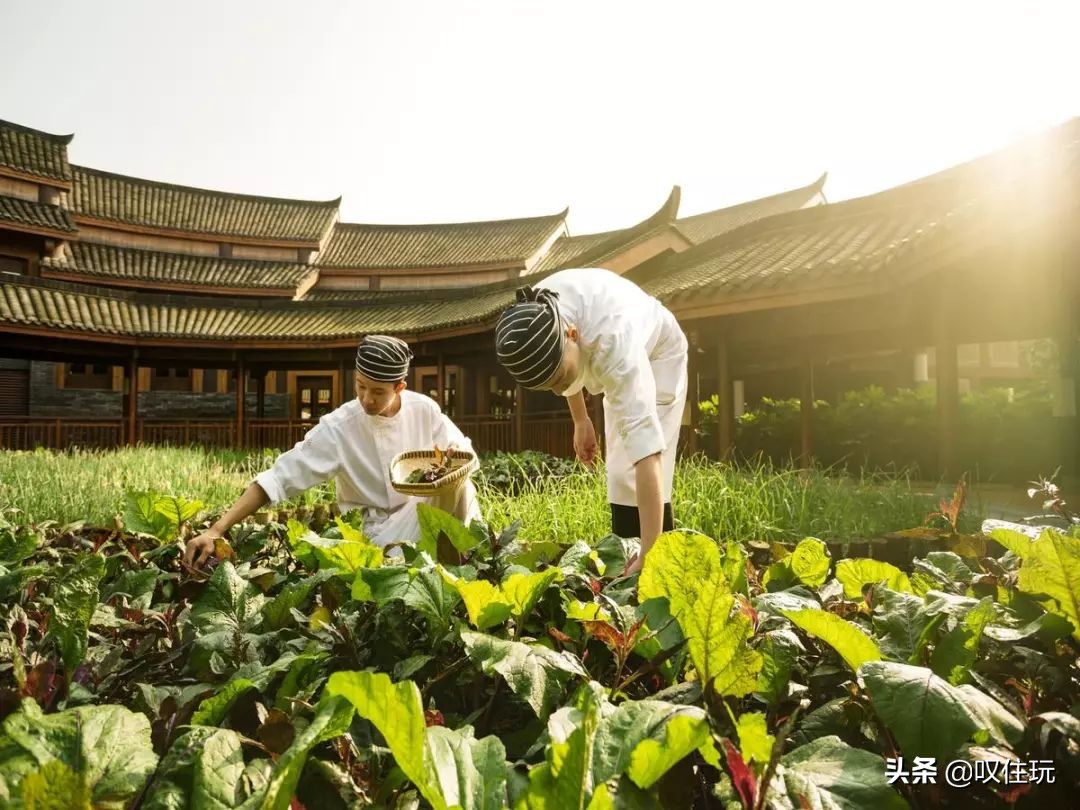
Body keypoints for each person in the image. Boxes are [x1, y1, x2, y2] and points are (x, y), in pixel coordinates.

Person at [183, 335, 481, 568]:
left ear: (400, 387)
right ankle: (445, 565)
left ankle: (458, 566)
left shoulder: (423, 409)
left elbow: (463, 455)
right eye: (360, 386)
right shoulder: (340, 426)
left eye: (378, 392)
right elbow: (277, 478)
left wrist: (451, 458)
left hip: (418, 515)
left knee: (461, 486)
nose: (366, 399)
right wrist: (217, 529)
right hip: (374, 532)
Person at [494, 267, 688, 576]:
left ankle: (655, 560)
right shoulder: (534, 316)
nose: (558, 389)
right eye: (549, 388)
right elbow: (564, 372)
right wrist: (581, 420)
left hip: (658, 349)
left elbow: (647, 450)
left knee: (642, 457)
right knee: (618, 472)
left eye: (560, 379)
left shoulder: (613, 343)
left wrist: (649, 557)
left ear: (571, 335)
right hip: (598, 347)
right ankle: (626, 553)